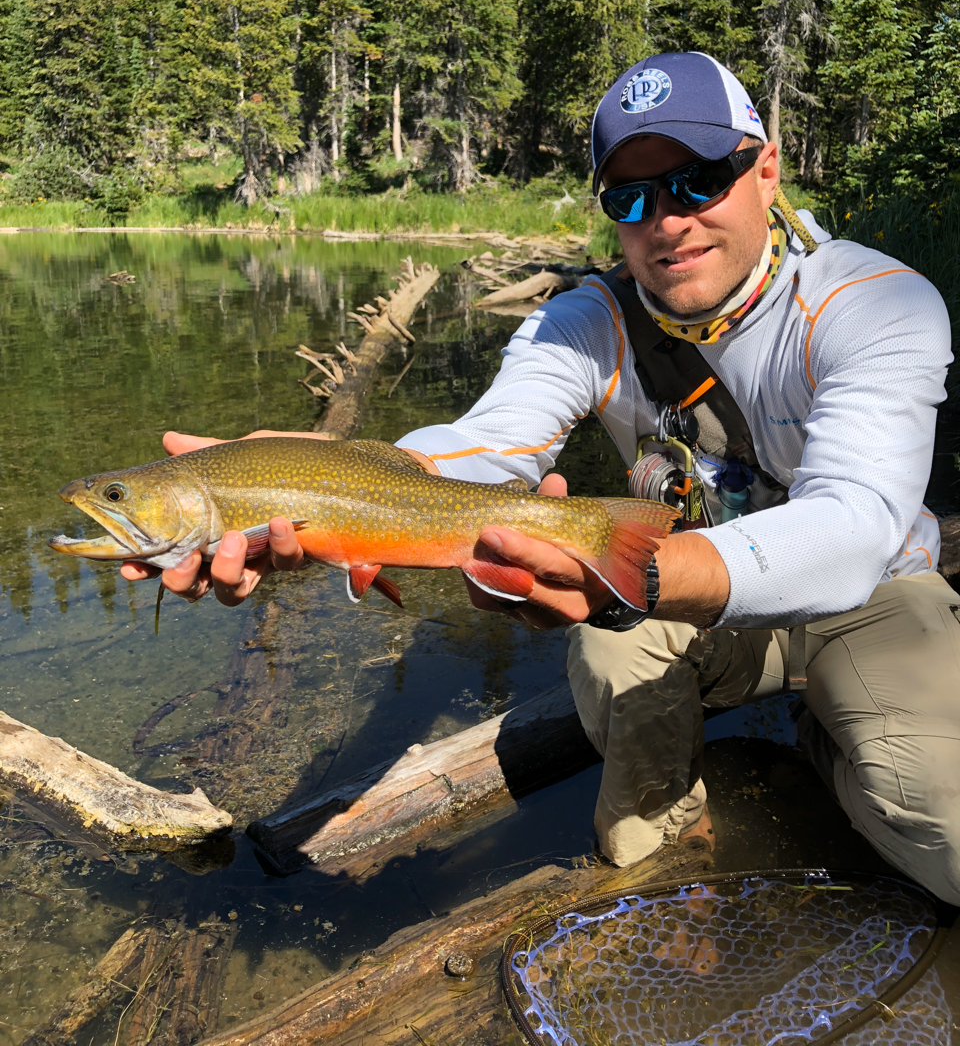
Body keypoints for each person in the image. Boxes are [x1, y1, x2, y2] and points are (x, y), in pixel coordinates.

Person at [124, 52, 960, 903]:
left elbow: (854, 529)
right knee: (612, 658)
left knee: (949, 841)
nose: (666, 221)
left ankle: (827, 740)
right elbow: (485, 446)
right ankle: (672, 876)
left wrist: (632, 575)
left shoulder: (874, 303)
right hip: (676, 605)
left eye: (698, 180)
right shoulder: (587, 323)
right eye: (631, 198)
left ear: (766, 168)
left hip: (872, 598)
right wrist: (322, 480)